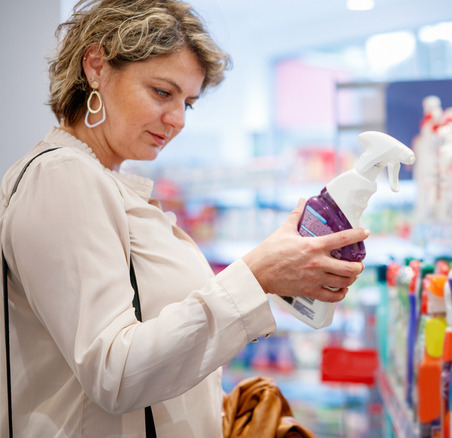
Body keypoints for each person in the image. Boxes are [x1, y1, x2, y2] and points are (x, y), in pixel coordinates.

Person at [0, 0, 367, 436]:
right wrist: (257, 276)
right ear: (96, 65)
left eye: (187, 103)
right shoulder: (62, 176)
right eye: (161, 92)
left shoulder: (103, 179)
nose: (176, 120)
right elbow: (113, 374)